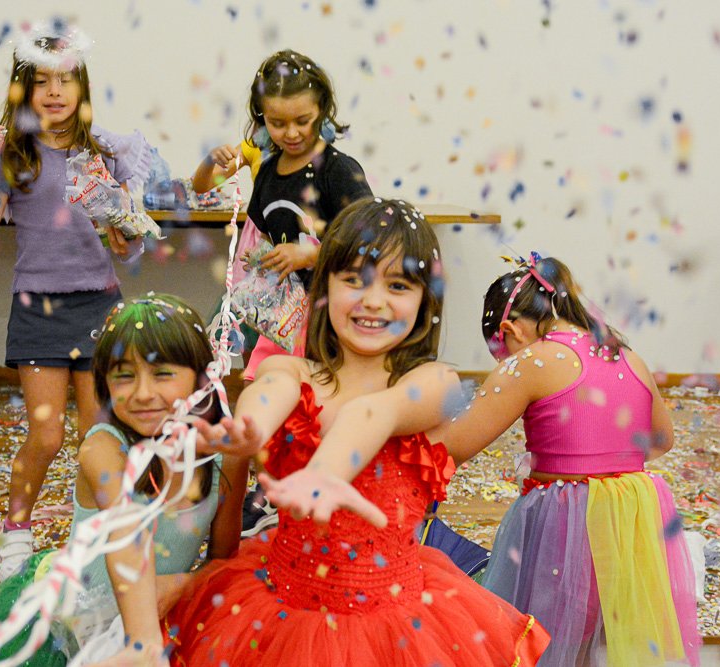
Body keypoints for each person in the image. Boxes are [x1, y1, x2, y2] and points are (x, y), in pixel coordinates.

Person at [164, 198, 550, 666]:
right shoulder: (292, 371)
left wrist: (325, 473)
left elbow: (374, 413)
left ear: (424, 300)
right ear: (324, 286)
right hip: (285, 614)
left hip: (397, 629)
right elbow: (270, 390)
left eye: (397, 285)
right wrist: (251, 427)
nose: (373, 300)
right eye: (353, 279)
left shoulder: (434, 382)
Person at [0, 22, 153, 579]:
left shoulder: (104, 153)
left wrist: (128, 239)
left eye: (65, 80)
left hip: (100, 307)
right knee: (46, 434)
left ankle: (95, 531)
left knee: (98, 435)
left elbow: (131, 242)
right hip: (38, 309)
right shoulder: (14, 156)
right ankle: (16, 529)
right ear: (24, 91)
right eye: (41, 82)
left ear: (82, 87)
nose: (54, 91)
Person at [436, 254, 698, 666]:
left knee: (546, 638)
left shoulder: (532, 361)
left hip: (566, 523)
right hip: (630, 524)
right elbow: (662, 439)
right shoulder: (626, 355)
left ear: (510, 331)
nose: (503, 363)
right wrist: (602, 457)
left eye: (500, 353)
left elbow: (453, 445)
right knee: (590, 639)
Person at [0, 294, 227, 667]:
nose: (143, 393)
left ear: (201, 377)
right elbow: (128, 531)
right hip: (62, 630)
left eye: (162, 373)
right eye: (124, 375)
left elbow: (224, 562)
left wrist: (180, 585)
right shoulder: (102, 449)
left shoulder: (223, 459)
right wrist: (143, 639)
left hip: (159, 619)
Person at [193, 49, 373, 537]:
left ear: (324, 111)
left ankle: (306, 491)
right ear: (260, 118)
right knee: (261, 400)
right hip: (279, 316)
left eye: (303, 121)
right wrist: (212, 162)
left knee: (312, 408)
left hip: (327, 316)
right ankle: (269, 491)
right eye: (277, 123)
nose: (290, 133)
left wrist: (309, 256)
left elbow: (370, 236)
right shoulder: (269, 166)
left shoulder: (338, 170)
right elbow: (202, 186)